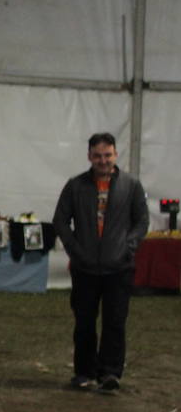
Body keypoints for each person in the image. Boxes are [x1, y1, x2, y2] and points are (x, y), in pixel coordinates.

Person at [52, 132, 149, 391]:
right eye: (97, 155)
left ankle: (110, 374)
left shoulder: (131, 185)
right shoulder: (76, 186)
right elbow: (60, 221)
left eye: (107, 155)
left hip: (119, 269)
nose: (103, 160)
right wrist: (74, 249)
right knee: (84, 322)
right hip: (85, 268)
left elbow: (142, 221)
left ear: (116, 154)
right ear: (89, 156)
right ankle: (84, 373)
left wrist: (129, 247)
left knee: (114, 323)